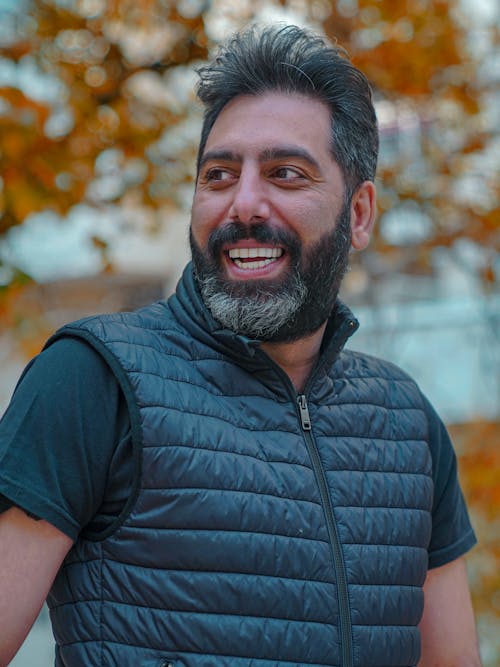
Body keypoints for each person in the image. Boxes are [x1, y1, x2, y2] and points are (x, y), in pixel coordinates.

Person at [0, 23, 481, 667]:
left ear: (359, 214)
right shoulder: (92, 379)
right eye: (220, 174)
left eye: (286, 173)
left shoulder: (408, 422)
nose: (243, 204)